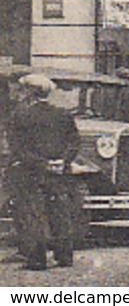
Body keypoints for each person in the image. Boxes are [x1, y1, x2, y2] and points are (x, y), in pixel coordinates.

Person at [6, 75, 83, 270]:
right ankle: (65, 256)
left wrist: (42, 164)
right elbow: (74, 142)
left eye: (22, 90)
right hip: (58, 172)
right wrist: (62, 162)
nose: (20, 94)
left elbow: (18, 149)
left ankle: (37, 259)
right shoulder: (63, 114)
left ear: (30, 92)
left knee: (33, 214)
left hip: (31, 171)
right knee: (60, 211)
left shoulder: (19, 116)